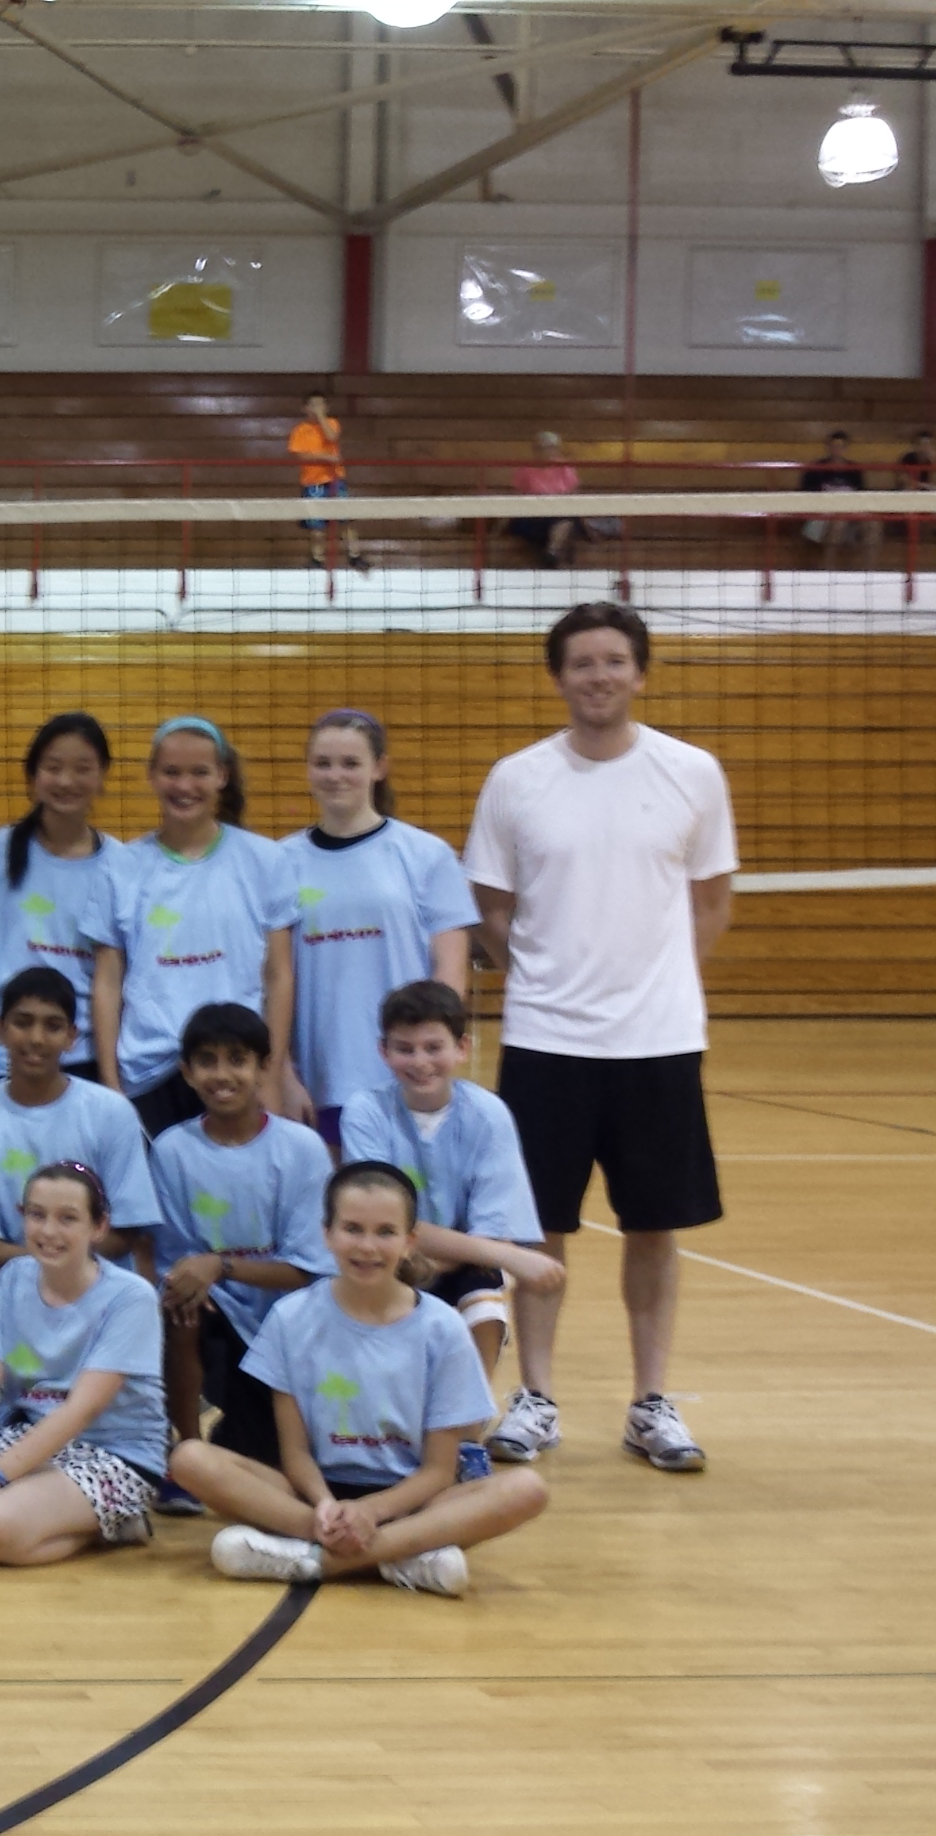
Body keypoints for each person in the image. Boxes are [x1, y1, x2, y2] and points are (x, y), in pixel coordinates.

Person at [464, 602, 734, 1473]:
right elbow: (492, 912)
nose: (599, 677)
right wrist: (550, 982)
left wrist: (657, 986)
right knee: (540, 1227)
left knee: (655, 1224)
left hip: (657, 1042)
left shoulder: (692, 773)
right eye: (582, 663)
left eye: (615, 661)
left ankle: (652, 1403)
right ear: (559, 677)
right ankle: (535, 1397)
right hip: (546, 1040)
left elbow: (712, 900)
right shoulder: (517, 779)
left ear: (640, 672)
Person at [171, 1162, 551, 1598]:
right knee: (190, 1458)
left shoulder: (441, 1328)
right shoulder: (291, 1318)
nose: (367, 1246)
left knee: (527, 1489)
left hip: (411, 1501)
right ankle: (400, 1558)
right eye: (352, 1228)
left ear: (410, 1242)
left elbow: (438, 1471)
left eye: (385, 1232)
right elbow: (294, 1453)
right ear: (327, 1234)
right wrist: (327, 1508)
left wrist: (371, 1511)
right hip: (312, 1497)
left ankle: (315, 1560)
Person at [0, 967, 162, 1400]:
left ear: (73, 1036)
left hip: (94, 1279)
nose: (36, 1038)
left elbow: (124, 1232)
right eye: (23, 1022)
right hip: (2, 1283)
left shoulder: (111, 1112)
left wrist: (55, 1265)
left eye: (52, 1026)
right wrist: (41, 1262)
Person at [0, 1163, 169, 1568]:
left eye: (68, 1218)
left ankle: (118, 1524)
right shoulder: (16, 1276)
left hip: (113, 1452)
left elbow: (79, 1410)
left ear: (99, 1228)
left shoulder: (130, 1298)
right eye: (37, 1215)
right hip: (31, 1435)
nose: (48, 1232)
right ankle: (45, 1511)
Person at [144, 1004, 335, 1506]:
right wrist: (196, 1280)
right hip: (214, 1312)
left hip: (287, 1320)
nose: (222, 1074)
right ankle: (184, 1454)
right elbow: (175, 1262)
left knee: (265, 1457)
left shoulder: (301, 1149)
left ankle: (261, 1433)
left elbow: (308, 1270)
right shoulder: (171, 1151)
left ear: (263, 1066)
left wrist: (220, 1265)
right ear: (186, 1072)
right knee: (178, 1309)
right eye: (207, 1061)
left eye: (237, 1059)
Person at [340, 981, 565, 1388]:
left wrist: (459, 1257)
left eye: (433, 1047)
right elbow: (378, 1219)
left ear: (462, 1047)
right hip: (387, 1258)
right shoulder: (365, 1112)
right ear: (383, 1051)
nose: (420, 1061)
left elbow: (490, 1232)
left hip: (456, 1263)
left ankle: (467, 1433)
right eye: (404, 1048)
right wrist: (513, 1258)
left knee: (484, 1305)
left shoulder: (488, 1114)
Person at [87, 717, 300, 1133]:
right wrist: (111, 1085)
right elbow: (107, 982)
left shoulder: (264, 860)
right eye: (172, 772)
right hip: (149, 1074)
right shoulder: (121, 867)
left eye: (199, 772)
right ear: (152, 776)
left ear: (222, 775)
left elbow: (278, 976)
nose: (185, 786)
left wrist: (271, 1074)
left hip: (236, 1071)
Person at [281, 710, 478, 1144]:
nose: (336, 776)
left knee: (408, 1204)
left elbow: (450, 974)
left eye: (350, 763)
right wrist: (281, 1072)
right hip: (319, 1077)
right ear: (308, 769)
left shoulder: (426, 854)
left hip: (406, 1074)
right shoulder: (280, 862)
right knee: (334, 1207)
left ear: (379, 768)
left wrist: (429, 1058)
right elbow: (270, 979)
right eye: (323, 763)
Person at [0, 712, 118, 1087]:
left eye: (82, 769)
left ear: (102, 775)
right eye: (53, 767)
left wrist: (111, 1078)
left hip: (86, 1058)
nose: (66, 781)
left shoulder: (123, 865)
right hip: (3, 1059)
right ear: (32, 775)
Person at [287, 390, 368, 571]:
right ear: (305, 408)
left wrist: (321, 417)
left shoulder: (332, 423)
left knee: (345, 519)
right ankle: (317, 558)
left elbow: (332, 437)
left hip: (334, 480)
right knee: (316, 524)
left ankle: (355, 555)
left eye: (320, 405)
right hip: (312, 483)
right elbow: (301, 455)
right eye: (313, 405)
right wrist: (325, 457)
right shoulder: (299, 431)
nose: (317, 408)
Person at [506, 431, 585, 568]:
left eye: (549, 448)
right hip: (532, 516)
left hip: (559, 513)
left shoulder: (565, 468)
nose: (544, 452)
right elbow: (517, 496)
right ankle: (551, 553)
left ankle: (551, 553)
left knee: (567, 520)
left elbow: (574, 494)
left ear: (557, 450)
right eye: (539, 448)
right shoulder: (525, 470)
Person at [797, 428, 875, 549]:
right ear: (827, 447)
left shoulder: (855, 469)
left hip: (850, 510)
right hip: (822, 513)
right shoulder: (815, 468)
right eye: (833, 446)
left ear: (846, 448)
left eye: (840, 447)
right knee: (838, 523)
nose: (837, 450)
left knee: (874, 524)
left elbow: (861, 494)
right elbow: (806, 495)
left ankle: (870, 567)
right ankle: (829, 566)